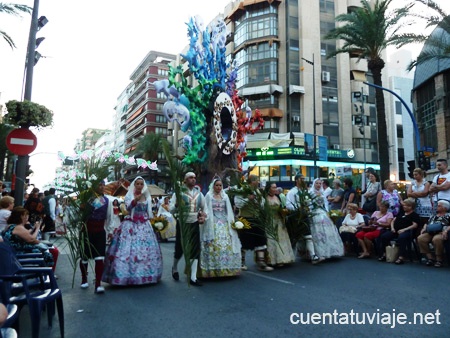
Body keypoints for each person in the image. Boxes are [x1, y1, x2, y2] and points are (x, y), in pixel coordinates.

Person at [103, 177, 163, 285]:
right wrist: (135, 201)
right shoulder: (129, 195)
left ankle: (146, 274)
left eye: (141, 184)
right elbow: (128, 208)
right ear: (134, 185)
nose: (139, 186)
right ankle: (124, 275)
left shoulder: (147, 196)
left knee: (146, 251)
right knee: (126, 250)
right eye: (137, 184)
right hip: (131, 224)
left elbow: (148, 212)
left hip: (144, 225)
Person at [170, 172, 206, 286]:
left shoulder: (199, 194)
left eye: (195, 178)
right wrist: (176, 205)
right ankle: (174, 267)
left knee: (195, 249)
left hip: (194, 222)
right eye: (191, 178)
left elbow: (204, 208)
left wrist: (203, 216)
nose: (193, 180)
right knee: (180, 248)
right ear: (185, 180)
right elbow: (171, 209)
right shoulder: (178, 193)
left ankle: (193, 277)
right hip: (183, 223)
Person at [200, 177, 241, 277]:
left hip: (224, 224)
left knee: (226, 245)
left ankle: (227, 268)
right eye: (217, 185)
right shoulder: (209, 196)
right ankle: (213, 269)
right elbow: (206, 210)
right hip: (212, 224)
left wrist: (232, 223)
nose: (218, 187)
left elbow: (229, 211)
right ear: (213, 186)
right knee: (214, 245)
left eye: (220, 185)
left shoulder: (225, 197)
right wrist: (205, 218)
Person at [79, 181, 113, 294]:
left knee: (99, 257)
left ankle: (98, 284)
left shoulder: (107, 200)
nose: (102, 187)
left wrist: (110, 231)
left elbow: (109, 217)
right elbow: (78, 215)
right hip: (87, 231)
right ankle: (84, 279)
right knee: (84, 256)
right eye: (99, 184)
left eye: (103, 185)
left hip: (99, 231)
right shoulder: (86, 199)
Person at [234, 174, 273, 272]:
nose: (258, 182)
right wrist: (248, 199)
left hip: (256, 218)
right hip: (245, 218)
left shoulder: (257, 191)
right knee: (244, 240)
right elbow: (238, 204)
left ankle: (261, 263)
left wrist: (260, 201)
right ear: (252, 181)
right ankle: (242, 262)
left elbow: (262, 204)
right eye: (257, 180)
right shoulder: (242, 191)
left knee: (260, 239)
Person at [286, 173, 319, 263]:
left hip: (304, 216)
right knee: (294, 238)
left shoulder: (306, 192)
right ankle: (290, 256)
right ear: (296, 180)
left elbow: (312, 203)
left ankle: (313, 255)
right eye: (301, 179)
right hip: (295, 217)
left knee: (308, 236)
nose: (303, 180)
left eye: (304, 179)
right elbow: (288, 205)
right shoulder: (292, 192)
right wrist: (298, 208)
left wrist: (309, 209)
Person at [308, 178, 344, 262]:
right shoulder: (311, 193)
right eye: (317, 183)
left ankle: (330, 251)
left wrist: (328, 213)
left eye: (320, 183)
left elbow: (325, 204)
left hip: (323, 212)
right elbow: (309, 203)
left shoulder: (322, 193)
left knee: (328, 231)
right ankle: (317, 253)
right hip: (314, 213)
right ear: (314, 184)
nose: (318, 185)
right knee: (317, 232)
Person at [378, 198, 420, 264]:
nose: (404, 206)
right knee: (384, 236)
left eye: (405, 205)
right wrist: (392, 228)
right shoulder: (401, 213)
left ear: (410, 206)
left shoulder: (414, 215)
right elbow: (393, 220)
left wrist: (404, 229)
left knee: (402, 238)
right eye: (404, 205)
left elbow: (414, 225)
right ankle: (385, 254)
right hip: (395, 230)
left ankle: (401, 257)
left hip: (407, 231)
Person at [265, 182, 295, 267]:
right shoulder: (265, 198)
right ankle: (272, 259)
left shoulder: (278, 197)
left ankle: (283, 258)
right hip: (269, 220)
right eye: (273, 187)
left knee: (281, 239)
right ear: (269, 188)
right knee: (271, 240)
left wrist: (284, 213)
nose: (275, 189)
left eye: (275, 187)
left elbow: (282, 207)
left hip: (279, 220)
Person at [417, 200, 450, 268]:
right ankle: (430, 257)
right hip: (430, 232)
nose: (437, 207)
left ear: (445, 208)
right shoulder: (433, 215)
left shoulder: (448, 215)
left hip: (441, 232)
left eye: (439, 206)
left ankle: (439, 259)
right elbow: (427, 223)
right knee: (421, 238)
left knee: (437, 239)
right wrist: (424, 228)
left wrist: (446, 231)